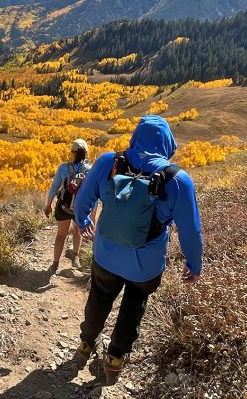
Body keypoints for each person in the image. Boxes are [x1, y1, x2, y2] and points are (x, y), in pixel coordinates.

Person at [73, 115, 203, 383]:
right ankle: (115, 358)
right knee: (134, 306)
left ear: (134, 137)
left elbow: (84, 198)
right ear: (168, 143)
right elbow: (191, 231)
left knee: (99, 297)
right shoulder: (178, 180)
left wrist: (84, 220)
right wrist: (194, 264)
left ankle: (87, 343)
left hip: (106, 254)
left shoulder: (109, 162)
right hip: (145, 266)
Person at [44, 139, 92, 274]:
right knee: (77, 231)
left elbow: (54, 187)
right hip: (80, 208)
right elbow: (91, 191)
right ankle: (75, 258)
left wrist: (48, 205)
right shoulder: (89, 169)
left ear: (72, 152)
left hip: (63, 206)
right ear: (86, 153)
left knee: (60, 235)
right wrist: (92, 212)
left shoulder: (63, 168)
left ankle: (55, 264)